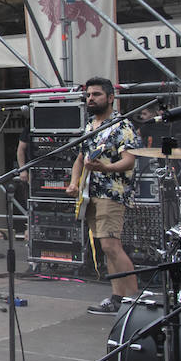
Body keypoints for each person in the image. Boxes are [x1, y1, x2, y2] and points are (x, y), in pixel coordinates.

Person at [68, 77, 141, 315]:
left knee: (111, 245)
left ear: (111, 97)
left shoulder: (122, 126)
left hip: (112, 192)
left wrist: (106, 168)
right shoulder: (90, 126)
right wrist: (73, 183)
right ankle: (117, 296)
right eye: (88, 95)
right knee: (105, 246)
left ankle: (133, 300)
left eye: (96, 94)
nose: (91, 99)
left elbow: (129, 159)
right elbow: (81, 158)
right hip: (91, 193)